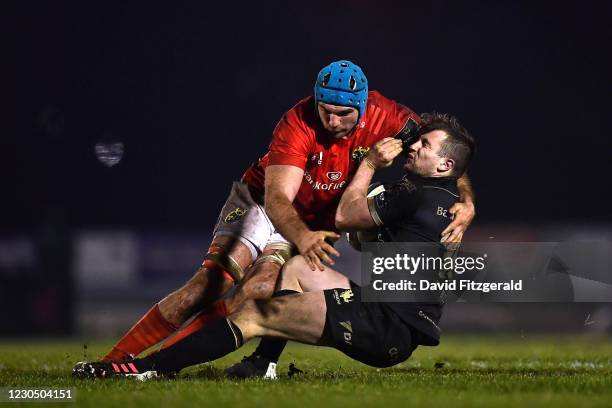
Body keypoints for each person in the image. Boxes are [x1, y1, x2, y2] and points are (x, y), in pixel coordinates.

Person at [94, 60, 475, 379]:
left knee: (258, 291)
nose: (334, 120)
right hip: (263, 204)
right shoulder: (297, 122)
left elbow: (446, 150)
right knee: (207, 286)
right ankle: (117, 362)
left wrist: (468, 200)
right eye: (326, 109)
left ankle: (169, 365)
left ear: (363, 106)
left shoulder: (390, 119)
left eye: (345, 114)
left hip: (318, 228)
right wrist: (306, 237)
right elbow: (278, 198)